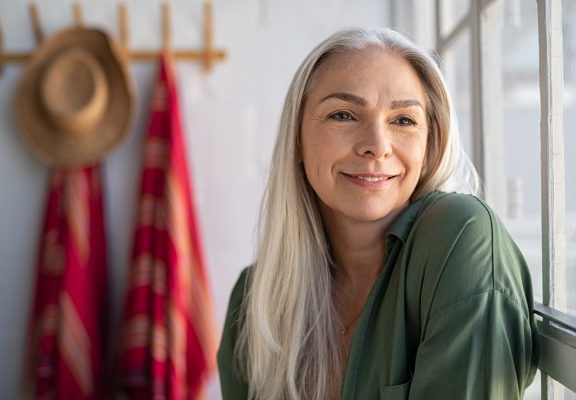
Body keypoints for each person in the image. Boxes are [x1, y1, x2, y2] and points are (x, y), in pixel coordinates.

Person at [217, 27, 539, 400]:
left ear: (430, 143)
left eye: (403, 120)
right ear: (297, 140)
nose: (376, 145)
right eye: (343, 115)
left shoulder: (462, 240)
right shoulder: (254, 298)